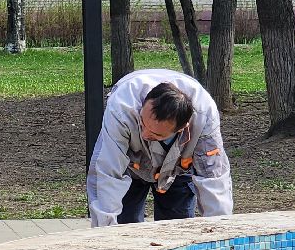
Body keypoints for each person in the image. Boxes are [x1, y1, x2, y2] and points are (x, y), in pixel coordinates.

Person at [86, 69, 233, 227]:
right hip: (129, 166)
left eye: (155, 134)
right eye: (142, 123)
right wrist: (105, 231)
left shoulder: (204, 117)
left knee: (177, 230)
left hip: (177, 170)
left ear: (182, 128)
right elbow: (107, 172)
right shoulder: (121, 109)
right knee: (125, 226)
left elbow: (213, 178)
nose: (144, 134)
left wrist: (220, 231)